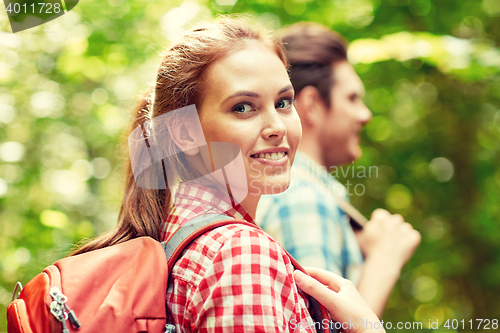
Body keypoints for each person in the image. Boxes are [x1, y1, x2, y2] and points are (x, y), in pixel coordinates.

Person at [72, 17, 386, 333]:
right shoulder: (241, 253)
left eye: (283, 102)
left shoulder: (172, 232)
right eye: (243, 108)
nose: (276, 127)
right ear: (184, 133)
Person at [256, 22, 421, 318]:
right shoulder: (302, 198)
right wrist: (384, 262)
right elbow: (323, 326)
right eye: (352, 98)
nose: (365, 115)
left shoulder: (294, 191)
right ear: (312, 106)